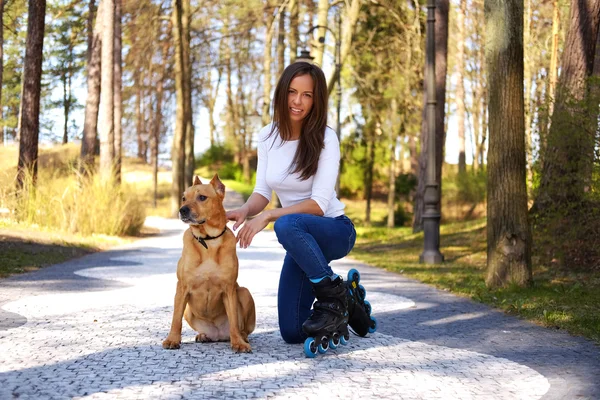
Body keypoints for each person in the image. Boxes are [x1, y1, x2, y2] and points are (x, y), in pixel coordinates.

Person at [226, 62, 372, 347]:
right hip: (299, 238)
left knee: (285, 223)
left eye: (307, 95)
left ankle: (335, 298)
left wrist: (268, 216)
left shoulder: (325, 138)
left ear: (317, 100)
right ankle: (345, 297)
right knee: (293, 331)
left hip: (334, 230)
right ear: (282, 93)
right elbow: (262, 190)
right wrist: (246, 210)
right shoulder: (268, 136)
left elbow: (318, 205)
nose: (297, 101)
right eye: (292, 92)